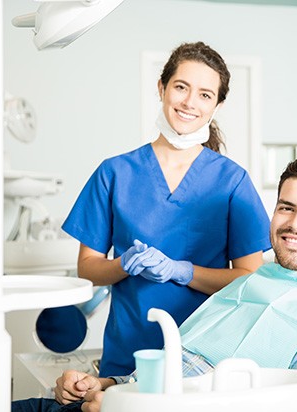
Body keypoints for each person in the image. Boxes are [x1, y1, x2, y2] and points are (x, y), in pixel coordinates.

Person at [13, 156, 297, 412]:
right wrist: (108, 387)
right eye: (286, 207)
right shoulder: (247, 287)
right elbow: (180, 368)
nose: (296, 223)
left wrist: (134, 408)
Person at [60, 41, 271, 377]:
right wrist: (123, 265)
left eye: (205, 94)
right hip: (129, 352)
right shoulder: (114, 172)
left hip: (204, 359)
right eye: (181, 87)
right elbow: (88, 268)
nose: (190, 102)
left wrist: (183, 271)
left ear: (216, 105)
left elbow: (250, 279)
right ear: (162, 88)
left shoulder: (232, 181)